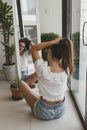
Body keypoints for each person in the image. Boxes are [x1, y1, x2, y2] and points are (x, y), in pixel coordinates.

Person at [19, 37, 74, 120]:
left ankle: (32, 91)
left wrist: (53, 41)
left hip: (43, 111)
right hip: (61, 110)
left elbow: (34, 48)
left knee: (22, 84)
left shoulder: (42, 69)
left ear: (49, 53)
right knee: (41, 93)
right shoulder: (67, 69)